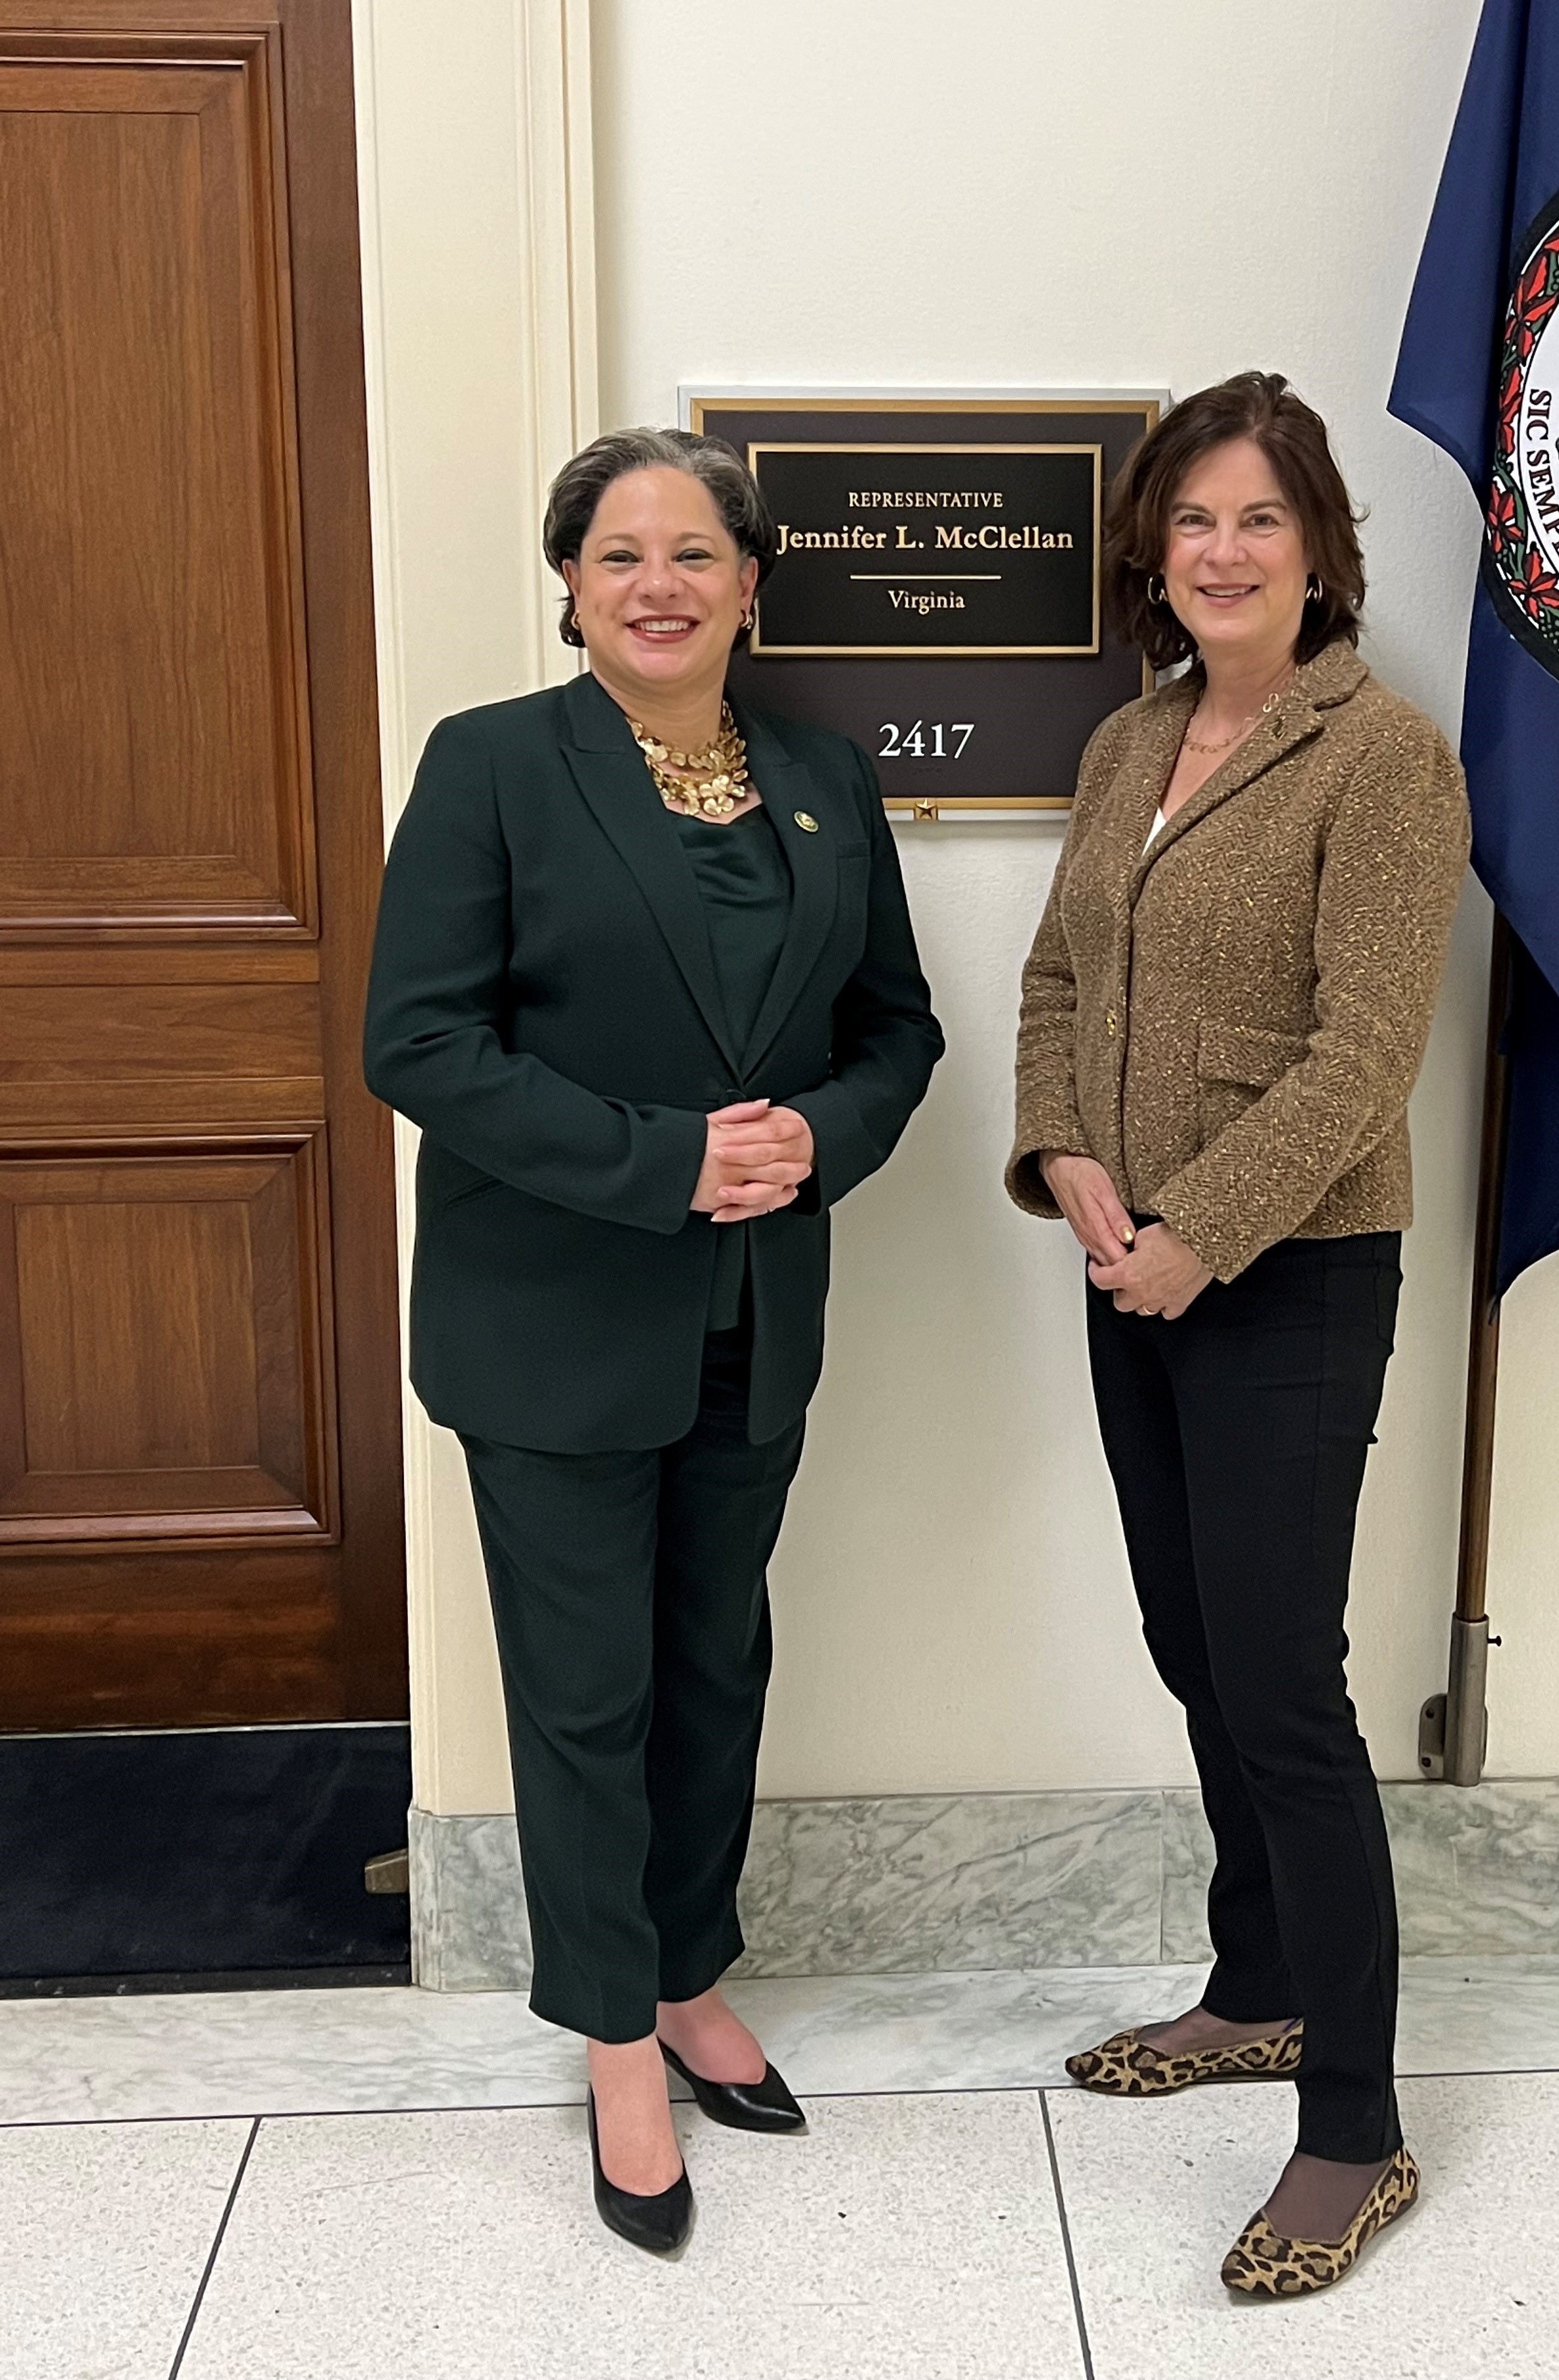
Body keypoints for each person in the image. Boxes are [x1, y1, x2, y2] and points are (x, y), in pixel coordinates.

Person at [365, 428, 943, 2256]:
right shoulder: (492, 769)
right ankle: (616, 2039)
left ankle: (693, 1973)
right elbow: (423, 1044)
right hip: (551, 1321)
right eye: (621, 556)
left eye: (694, 553)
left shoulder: (824, 782)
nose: (660, 586)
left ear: (751, 582)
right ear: (571, 588)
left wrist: (816, 1145)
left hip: (752, 1319)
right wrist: (663, 1163)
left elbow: (896, 1034)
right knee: (588, 1693)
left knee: (713, 1668)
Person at [1007, 372, 1468, 2300]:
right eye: (1191, 522)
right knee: (1196, 1644)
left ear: (1318, 548)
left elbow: (1369, 1054)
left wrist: (1203, 1228)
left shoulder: (1387, 759)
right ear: (1156, 550)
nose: (1220, 553)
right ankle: (1258, 1984)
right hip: (1131, 1265)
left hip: (1288, 1274)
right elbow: (1053, 979)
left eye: (1256, 521)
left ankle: (1352, 2127)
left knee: (1283, 1681)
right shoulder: (1130, 743)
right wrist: (1069, 1159)